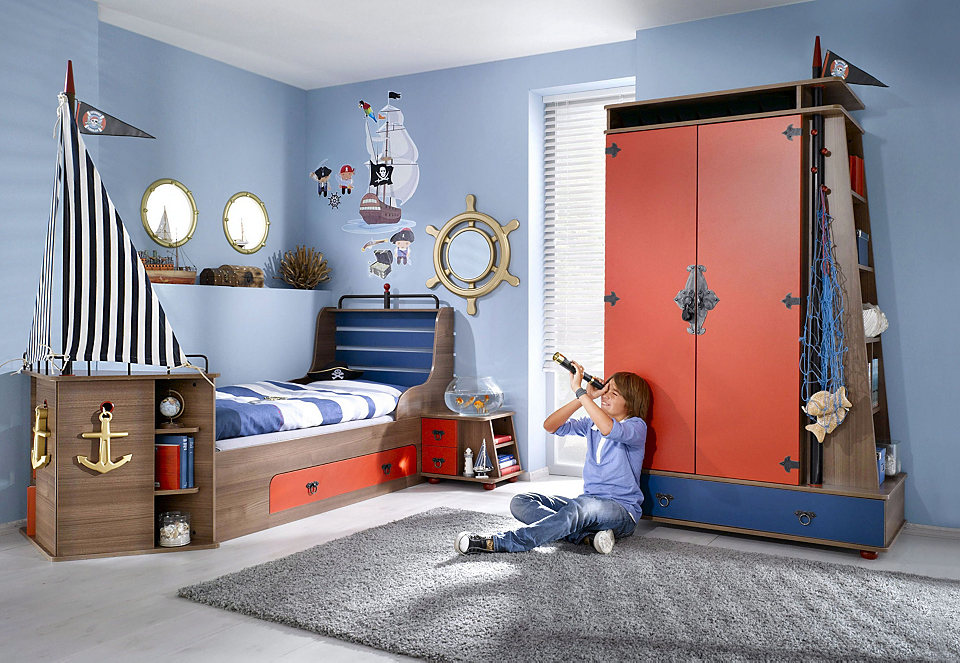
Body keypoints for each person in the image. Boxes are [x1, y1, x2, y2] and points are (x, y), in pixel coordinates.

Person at [455, 362, 651, 555]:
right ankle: (585, 538)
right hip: (587, 503)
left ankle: (500, 542)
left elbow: (609, 429)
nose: (605, 396)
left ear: (631, 402)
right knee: (521, 501)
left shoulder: (636, 427)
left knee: (579, 509)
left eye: (613, 393)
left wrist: (580, 392)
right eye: (605, 390)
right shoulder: (592, 424)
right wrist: (584, 397)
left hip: (621, 512)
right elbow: (551, 426)